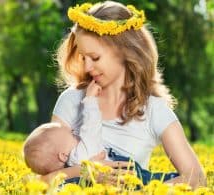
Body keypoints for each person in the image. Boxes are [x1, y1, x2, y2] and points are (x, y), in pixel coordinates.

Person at [44, 0, 206, 189]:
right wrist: (85, 172)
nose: (87, 67)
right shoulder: (71, 101)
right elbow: (39, 181)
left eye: (95, 58)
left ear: (125, 51)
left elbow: (196, 178)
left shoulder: (154, 110)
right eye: (83, 57)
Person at [23, 82, 179, 185]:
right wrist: (90, 100)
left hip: (115, 178)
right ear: (63, 155)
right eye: (70, 134)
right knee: (152, 180)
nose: (73, 131)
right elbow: (91, 126)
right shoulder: (82, 152)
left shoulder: (69, 169)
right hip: (123, 172)